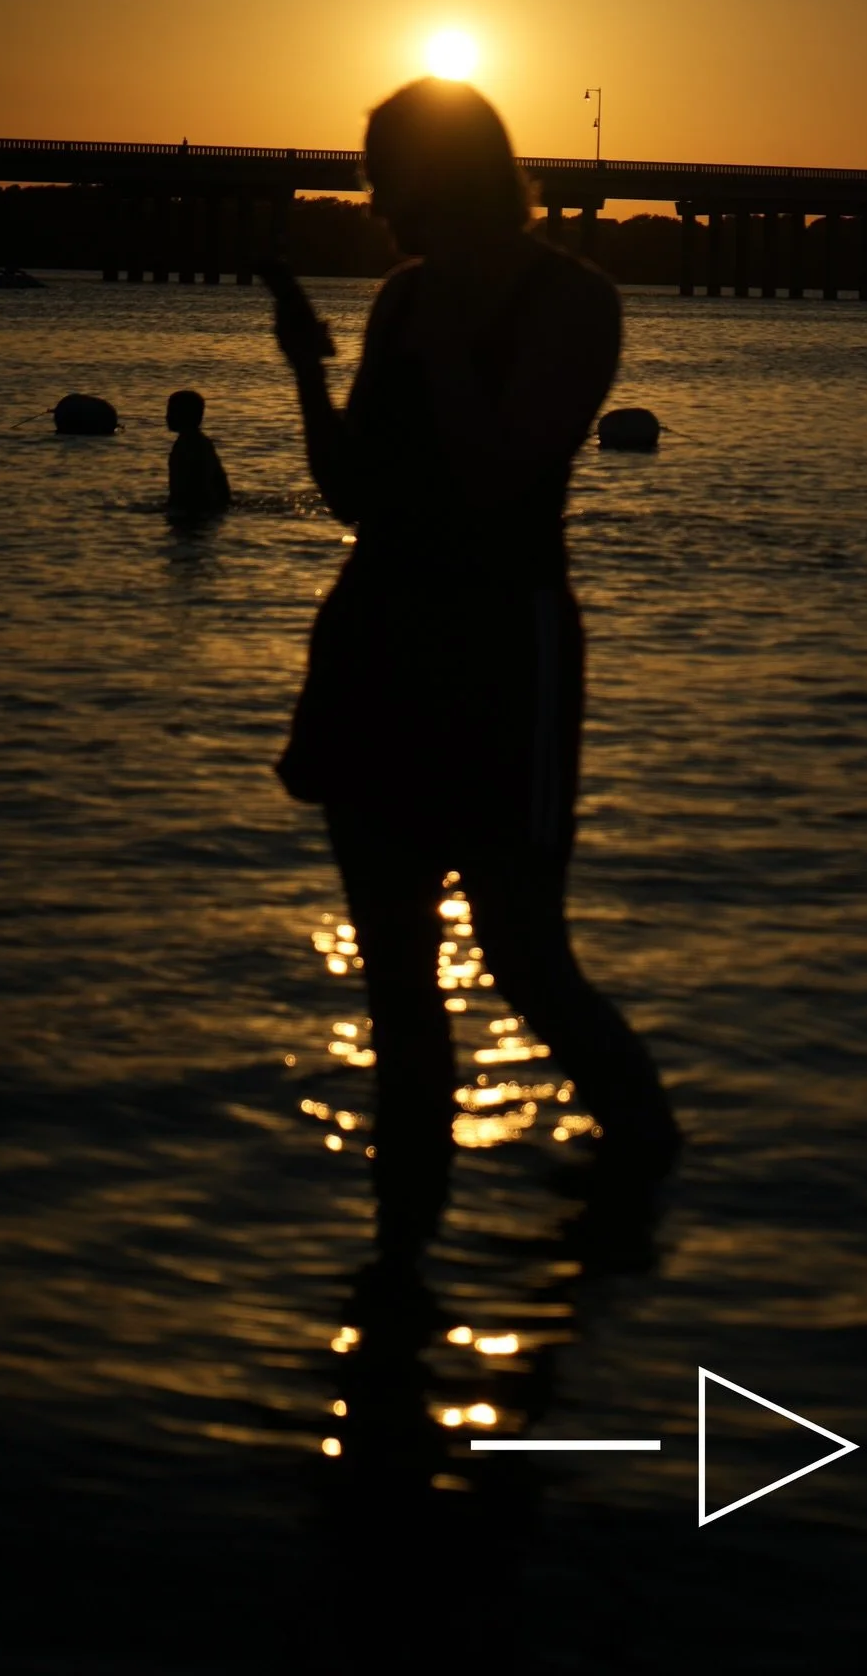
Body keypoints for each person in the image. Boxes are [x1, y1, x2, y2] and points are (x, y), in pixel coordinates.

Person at [270, 77, 679, 1252]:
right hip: (376, 644)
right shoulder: (398, 302)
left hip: (505, 649)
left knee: (523, 955)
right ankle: (400, 1258)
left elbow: (508, 470)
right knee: (398, 992)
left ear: (438, 176)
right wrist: (307, 369)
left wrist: (448, 342)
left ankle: (642, 1205)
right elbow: (355, 498)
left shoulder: (573, 302)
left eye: (385, 170)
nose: (372, 195)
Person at [165, 388, 231, 516]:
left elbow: (186, 486)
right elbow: (222, 481)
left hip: (195, 510)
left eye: (172, 411)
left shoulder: (188, 444)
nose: (166, 417)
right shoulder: (201, 441)